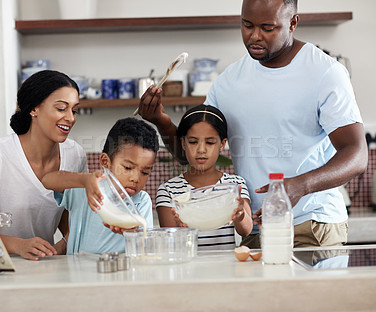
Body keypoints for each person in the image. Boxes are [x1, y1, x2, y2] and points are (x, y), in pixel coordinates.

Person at [136, 0, 368, 248]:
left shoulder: (324, 72)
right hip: (255, 229)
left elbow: (356, 154)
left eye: (268, 28)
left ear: (292, 23)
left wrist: (301, 185)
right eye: (247, 25)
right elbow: (189, 154)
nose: (254, 36)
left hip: (309, 223)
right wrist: (160, 120)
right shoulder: (228, 82)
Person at [0, 70, 88, 260]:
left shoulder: (75, 155)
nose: (71, 118)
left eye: (74, 110)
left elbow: (73, 221)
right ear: (33, 109)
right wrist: (18, 245)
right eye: (61, 108)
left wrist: (62, 246)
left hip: (43, 266)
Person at [41, 117, 158, 254]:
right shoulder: (85, 189)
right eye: (127, 168)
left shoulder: (141, 202)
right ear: (105, 162)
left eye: (144, 172)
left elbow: (145, 246)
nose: (136, 178)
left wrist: (133, 234)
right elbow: (47, 180)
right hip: (78, 271)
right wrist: (84, 180)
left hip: (119, 272)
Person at [156, 105, 252, 250]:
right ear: (183, 143)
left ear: (222, 144)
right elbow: (170, 241)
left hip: (226, 269)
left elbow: (246, 230)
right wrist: (178, 227)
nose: (201, 149)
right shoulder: (168, 190)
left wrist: (240, 215)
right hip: (187, 269)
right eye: (193, 142)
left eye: (210, 142)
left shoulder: (234, 184)